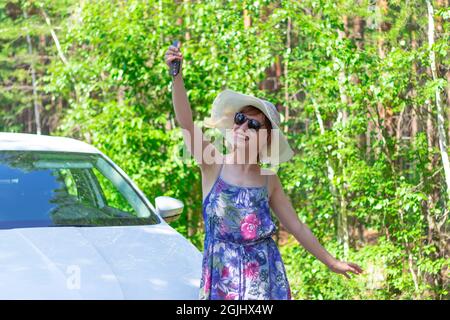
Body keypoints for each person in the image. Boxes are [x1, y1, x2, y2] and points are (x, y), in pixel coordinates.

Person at [164, 42, 363, 300]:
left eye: (254, 124)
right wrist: (176, 76)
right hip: (222, 284)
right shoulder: (213, 163)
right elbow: (186, 123)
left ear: (268, 139)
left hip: (266, 283)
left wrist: (331, 262)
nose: (243, 126)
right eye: (239, 119)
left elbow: (297, 227)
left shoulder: (269, 180)